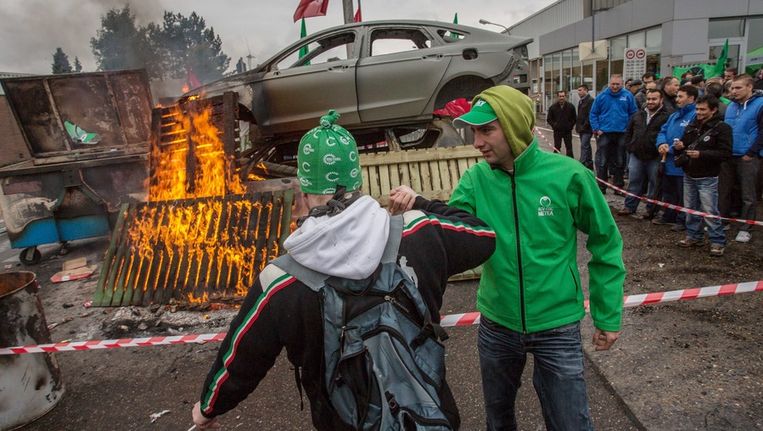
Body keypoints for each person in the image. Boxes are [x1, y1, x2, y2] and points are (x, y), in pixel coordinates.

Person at [191, 111, 497, 430]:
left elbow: (241, 361)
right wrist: (421, 202)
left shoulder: (280, 280)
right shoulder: (420, 231)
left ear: (304, 190)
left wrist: (209, 408)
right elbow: (484, 238)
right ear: (357, 179)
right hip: (427, 417)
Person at [445, 85, 625, 430]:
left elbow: (605, 243)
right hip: (497, 323)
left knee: (570, 422)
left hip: (557, 325)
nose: (477, 142)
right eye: (474, 131)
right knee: (498, 420)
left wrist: (608, 314)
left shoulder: (569, 175)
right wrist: (420, 211)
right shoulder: (476, 178)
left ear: (513, 126)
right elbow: (450, 231)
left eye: (487, 130)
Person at [673, 95, 732, 256]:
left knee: (709, 209)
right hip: (689, 174)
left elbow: (725, 153)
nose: (699, 112)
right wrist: (679, 145)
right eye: (697, 109)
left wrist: (701, 154)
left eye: (703, 109)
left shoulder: (722, 128)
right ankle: (693, 236)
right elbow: (684, 144)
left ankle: (717, 241)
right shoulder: (693, 125)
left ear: (713, 110)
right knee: (690, 208)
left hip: (708, 176)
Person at [721, 74, 763, 243]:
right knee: (725, 191)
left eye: (738, 88)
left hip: (748, 157)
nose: (734, 91)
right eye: (732, 88)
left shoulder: (760, 105)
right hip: (729, 155)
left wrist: (751, 152)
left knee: (748, 194)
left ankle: (746, 227)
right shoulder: (730, 106)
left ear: (749, 87)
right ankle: (722, 221)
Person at [618, 88, 670, 217]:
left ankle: (651, 210)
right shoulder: (638, 115)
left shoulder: (667, 116)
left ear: (661, 100)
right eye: (649, 99)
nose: (651, 102)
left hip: (655, 157)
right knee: (634, 181)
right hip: (636, 155)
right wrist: (630, 147)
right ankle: (629, 206)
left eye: (654, 99)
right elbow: (628, 132)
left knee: (654, 183)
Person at [654, 85, 698, 230]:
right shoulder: (674, 115)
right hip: (668, 162)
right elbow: (663, 130)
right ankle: (668, 215)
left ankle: (682, 219)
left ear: (691, 98)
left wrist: (673, 148)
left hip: (683, 163)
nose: (677, 99)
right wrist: (661, 144)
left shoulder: (695, 115)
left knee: (683, 193)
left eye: (681, 96)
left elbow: (691, 137)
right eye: (677, 96)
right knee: (668, 191)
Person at [590, 74, 638, 191]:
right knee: (603, 161)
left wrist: (629, 129)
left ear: (622, 84)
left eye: (617, 84)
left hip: (622, 133)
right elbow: (593, 114)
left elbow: (634, 113)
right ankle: (601, 186)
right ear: (609, 83)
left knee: (620, 160)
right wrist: (597, 129)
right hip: (605, 133)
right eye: (613, 84)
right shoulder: (601, 97)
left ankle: (618, 186)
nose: (615, 86)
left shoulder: (628, 96)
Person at [547, 90, 577, 157]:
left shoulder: (571, 107)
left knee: (569, 148)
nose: (561, 98)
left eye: (563, 96)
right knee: (557, 147)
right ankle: (556, 161)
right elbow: (549, 119)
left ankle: (570, 162)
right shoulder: (552, 107)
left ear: (565, 96)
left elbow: (574, 118)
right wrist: (554, 125)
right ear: (557, 97)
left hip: (567, 131)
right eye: (560, 96)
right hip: (557, 131)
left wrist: (570, 126)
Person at [576, 84, 595, 169]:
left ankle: (582, 163)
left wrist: (584, 126)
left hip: (587, 129)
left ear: (586, 90)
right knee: (586, 145)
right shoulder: (581, 101)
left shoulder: (590, 100)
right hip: (581, 128)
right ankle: (589, 163)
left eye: (580, 90)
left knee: (584, 145)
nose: (578, 92)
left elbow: (590, 115)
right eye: (578, 90)